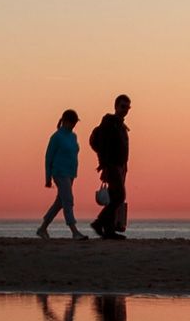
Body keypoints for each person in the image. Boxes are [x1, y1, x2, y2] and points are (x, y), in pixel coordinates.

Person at [38, 108, 88, 237]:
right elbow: (48, 157)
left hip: (71, 173)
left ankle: (42, 228)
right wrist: (47, 178)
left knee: (60, 202)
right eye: (72, 123)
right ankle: (74, 231)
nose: (73, 126)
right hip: (59, 172)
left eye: (75, 123)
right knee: (68, 200)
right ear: (65, 121)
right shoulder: (56, 137)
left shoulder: (73, 136)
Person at [89, 94, 131, 237]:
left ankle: (109, 230)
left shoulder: (121, 125)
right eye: (123, 106)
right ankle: (99, 223)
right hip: (111, 165)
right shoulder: (109, 121)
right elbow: (102, 143)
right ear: (116, 106)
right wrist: (103, 164)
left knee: (114, 197)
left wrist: (125, 166)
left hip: (120, 167)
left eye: (127, 107)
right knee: (119, 195)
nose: (125, 109)